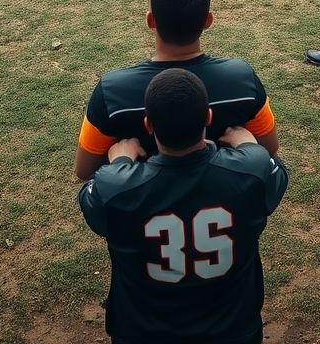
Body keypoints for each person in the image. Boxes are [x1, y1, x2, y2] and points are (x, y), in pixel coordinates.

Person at [79, 67, 288, 344]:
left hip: (143, 333)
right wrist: (249, 147)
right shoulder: (253, 172)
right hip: (234, 331)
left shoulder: (115, 188)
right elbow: (276, 171)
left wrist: (120, 163)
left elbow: (90, 199)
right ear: (208, 117)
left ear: (148, 125)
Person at [74, 0, 279, 181]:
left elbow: (85, 170)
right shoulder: (242, 79)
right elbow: (269, 148)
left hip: (144, 208)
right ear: (208, 21)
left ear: (150, 20)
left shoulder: (112, 91)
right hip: (225, 200)